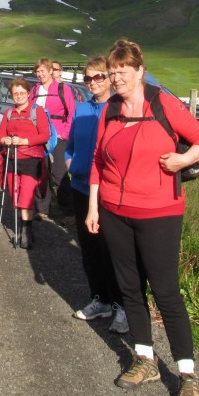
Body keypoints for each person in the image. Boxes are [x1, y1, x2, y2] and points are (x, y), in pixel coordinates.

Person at [86, 39, 199, 396]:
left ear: (140, 71)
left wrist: (183, 158)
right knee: (129, 288)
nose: (116, 78)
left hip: (159, 211)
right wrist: (94, 206)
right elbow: (97, 159)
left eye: (122, 73)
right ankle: (145, 359)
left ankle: (187, 375)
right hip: (113, 211)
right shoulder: (109, 108)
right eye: (112, 73)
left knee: (166, 292)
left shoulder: (162, 103)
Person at [65, 58, 127, 332]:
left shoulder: (119, 109)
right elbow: (71, 145)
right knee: (89, 250)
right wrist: (71, 164)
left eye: (98, 77)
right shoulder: (81, 109)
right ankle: (99, 299)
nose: (93, 82)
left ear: (109, 77)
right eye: (88, 78)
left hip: (108, 191)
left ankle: (122, 306)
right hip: (80, 187)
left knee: (112, 250)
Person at [0, 77, 50, 249]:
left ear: (28, 93)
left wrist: (24, 140)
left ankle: (26, 231)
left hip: (31, 160)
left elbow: (44, 135)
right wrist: (5, 139)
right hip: (12, 159)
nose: (18, 96)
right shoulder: (9, 113)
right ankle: (20, 227)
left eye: (21, 93)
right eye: (15, 93)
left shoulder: (37, 111)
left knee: (26, 195)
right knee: (15, 193)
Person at [29, 57, 76, 220]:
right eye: (38, 71)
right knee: (40, 173)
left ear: (50, 71)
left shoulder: (63, 89)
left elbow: (72, 112)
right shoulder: (34, 90)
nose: (40, 74)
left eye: (43, 70)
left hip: (58, 137)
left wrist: (66, 133)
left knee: (59, 174)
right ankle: (42, 209)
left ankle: (68, 212)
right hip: (39, 138)